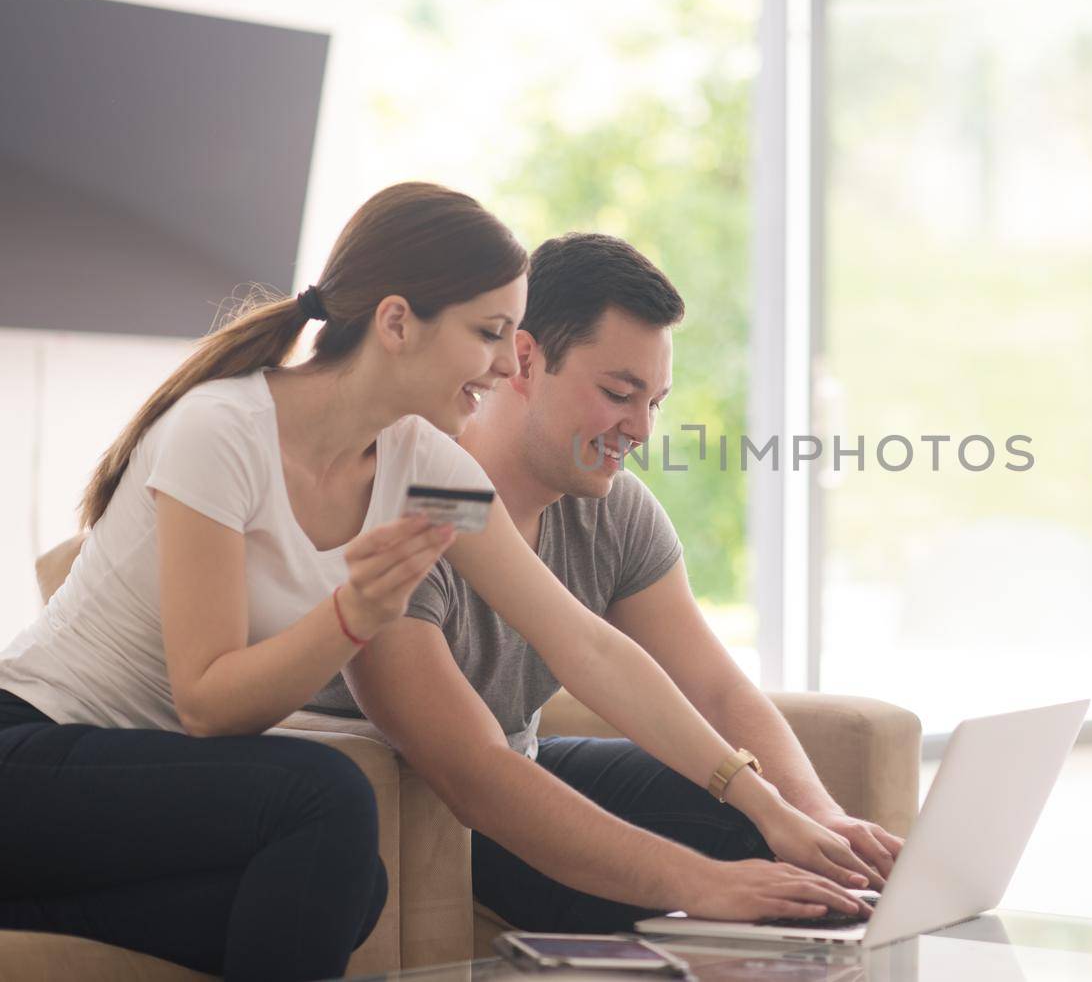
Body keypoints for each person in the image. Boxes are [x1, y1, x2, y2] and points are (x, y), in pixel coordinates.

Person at [0, 187, 862, 982]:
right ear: (398, 323)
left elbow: (583, 642)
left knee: (346, 889)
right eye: (488, 334)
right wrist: (352, 614)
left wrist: (762, 800)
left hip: (157, 783)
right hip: (34, 752)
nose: (500, 369)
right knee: (323, 805)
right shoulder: (222, 430)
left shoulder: (425, 469)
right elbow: (206, 704)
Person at [308, 232, 904, 933]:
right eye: (620, 393)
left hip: (522, 759)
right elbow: (474, 773)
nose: (641, 429)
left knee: (788, 855)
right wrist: (708, 884)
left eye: (655, 401)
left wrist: (810, 816)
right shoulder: (413, 493)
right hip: (422, 798)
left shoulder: (614, 510)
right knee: (738, 863)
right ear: (524, 359)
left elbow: (710, 687)